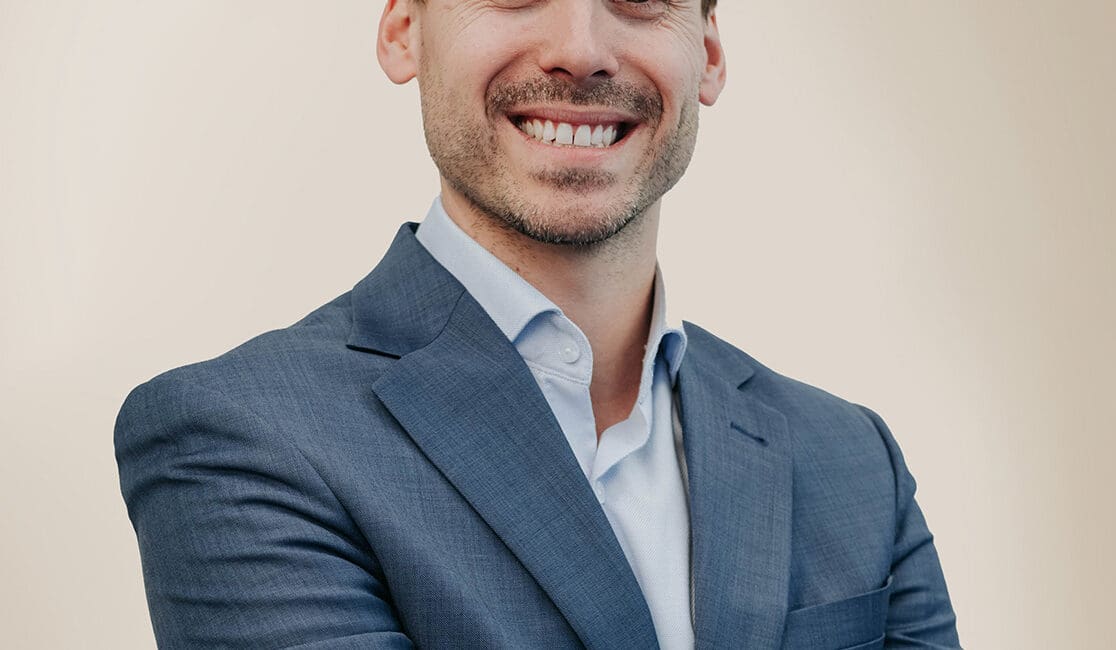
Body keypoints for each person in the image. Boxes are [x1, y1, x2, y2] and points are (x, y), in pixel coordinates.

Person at [115, 1, 960, 648]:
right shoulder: (239, 440)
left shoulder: (853, 460)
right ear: (404, 31)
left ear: (707, 51)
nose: (581, 50)